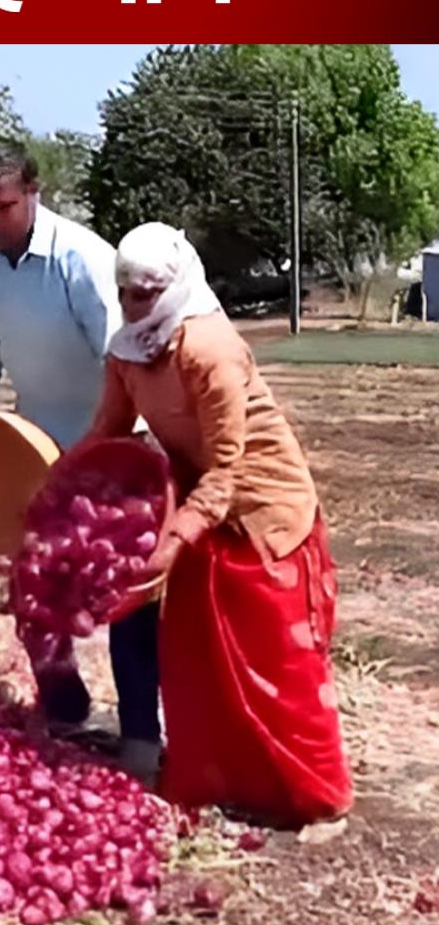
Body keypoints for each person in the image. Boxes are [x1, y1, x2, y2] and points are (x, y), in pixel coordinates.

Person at [86, 222, 353, 826]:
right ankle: (221, 779)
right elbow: (106, 432)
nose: (137, 304)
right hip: (197, 507)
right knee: (198, 657)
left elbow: (228, 469)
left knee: (277, 666)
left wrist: (172, 541)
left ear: (176, 285)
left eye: (149, 291)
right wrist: (55, 488)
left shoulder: (209, 348)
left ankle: (316, 798)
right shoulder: (127, 349)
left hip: (262, 510)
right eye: (127, 291)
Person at [0, 139, 161, 774]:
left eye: (2, 209)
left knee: (127, 597)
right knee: (32, 588)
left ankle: (142, 739)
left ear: (34, 193)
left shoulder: (82, 258)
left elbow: (120, 362)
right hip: (38, 448)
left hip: (115, 446)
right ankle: (66, 712)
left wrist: (111, 452)